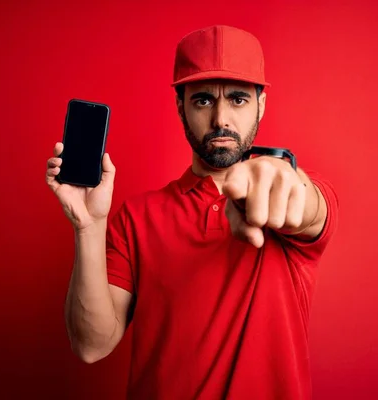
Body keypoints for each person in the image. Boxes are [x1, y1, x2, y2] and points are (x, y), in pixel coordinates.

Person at [46, 25, 339, 399]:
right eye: (202, 100)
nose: (220, 119)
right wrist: (88, 225)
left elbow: (309, 208)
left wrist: (289, 184)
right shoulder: (136, 217)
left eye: (237, 99)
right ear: (180, 106)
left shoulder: (285, 194)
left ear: (261, 104)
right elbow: (91, 346)